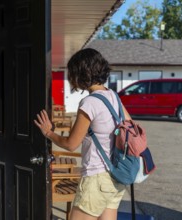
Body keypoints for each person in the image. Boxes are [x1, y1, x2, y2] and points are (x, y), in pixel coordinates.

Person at [34, 48, 131, 220]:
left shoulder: (90, 102)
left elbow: (71, 144)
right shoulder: (114, 97)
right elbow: (130, 127)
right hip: (116, 176)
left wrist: (49, 132)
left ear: (81, 73)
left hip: (96, 179)